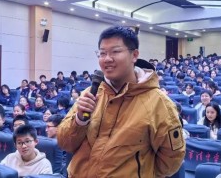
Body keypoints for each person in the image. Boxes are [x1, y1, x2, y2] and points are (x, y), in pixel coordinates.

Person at [56, 26, 185, 177]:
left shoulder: (159, 103)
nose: (107, 59)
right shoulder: (90, 94)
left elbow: (171, 161)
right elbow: (64, 143)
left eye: (115, 52)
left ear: (134, 55)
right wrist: (79, 120)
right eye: (102, 53)